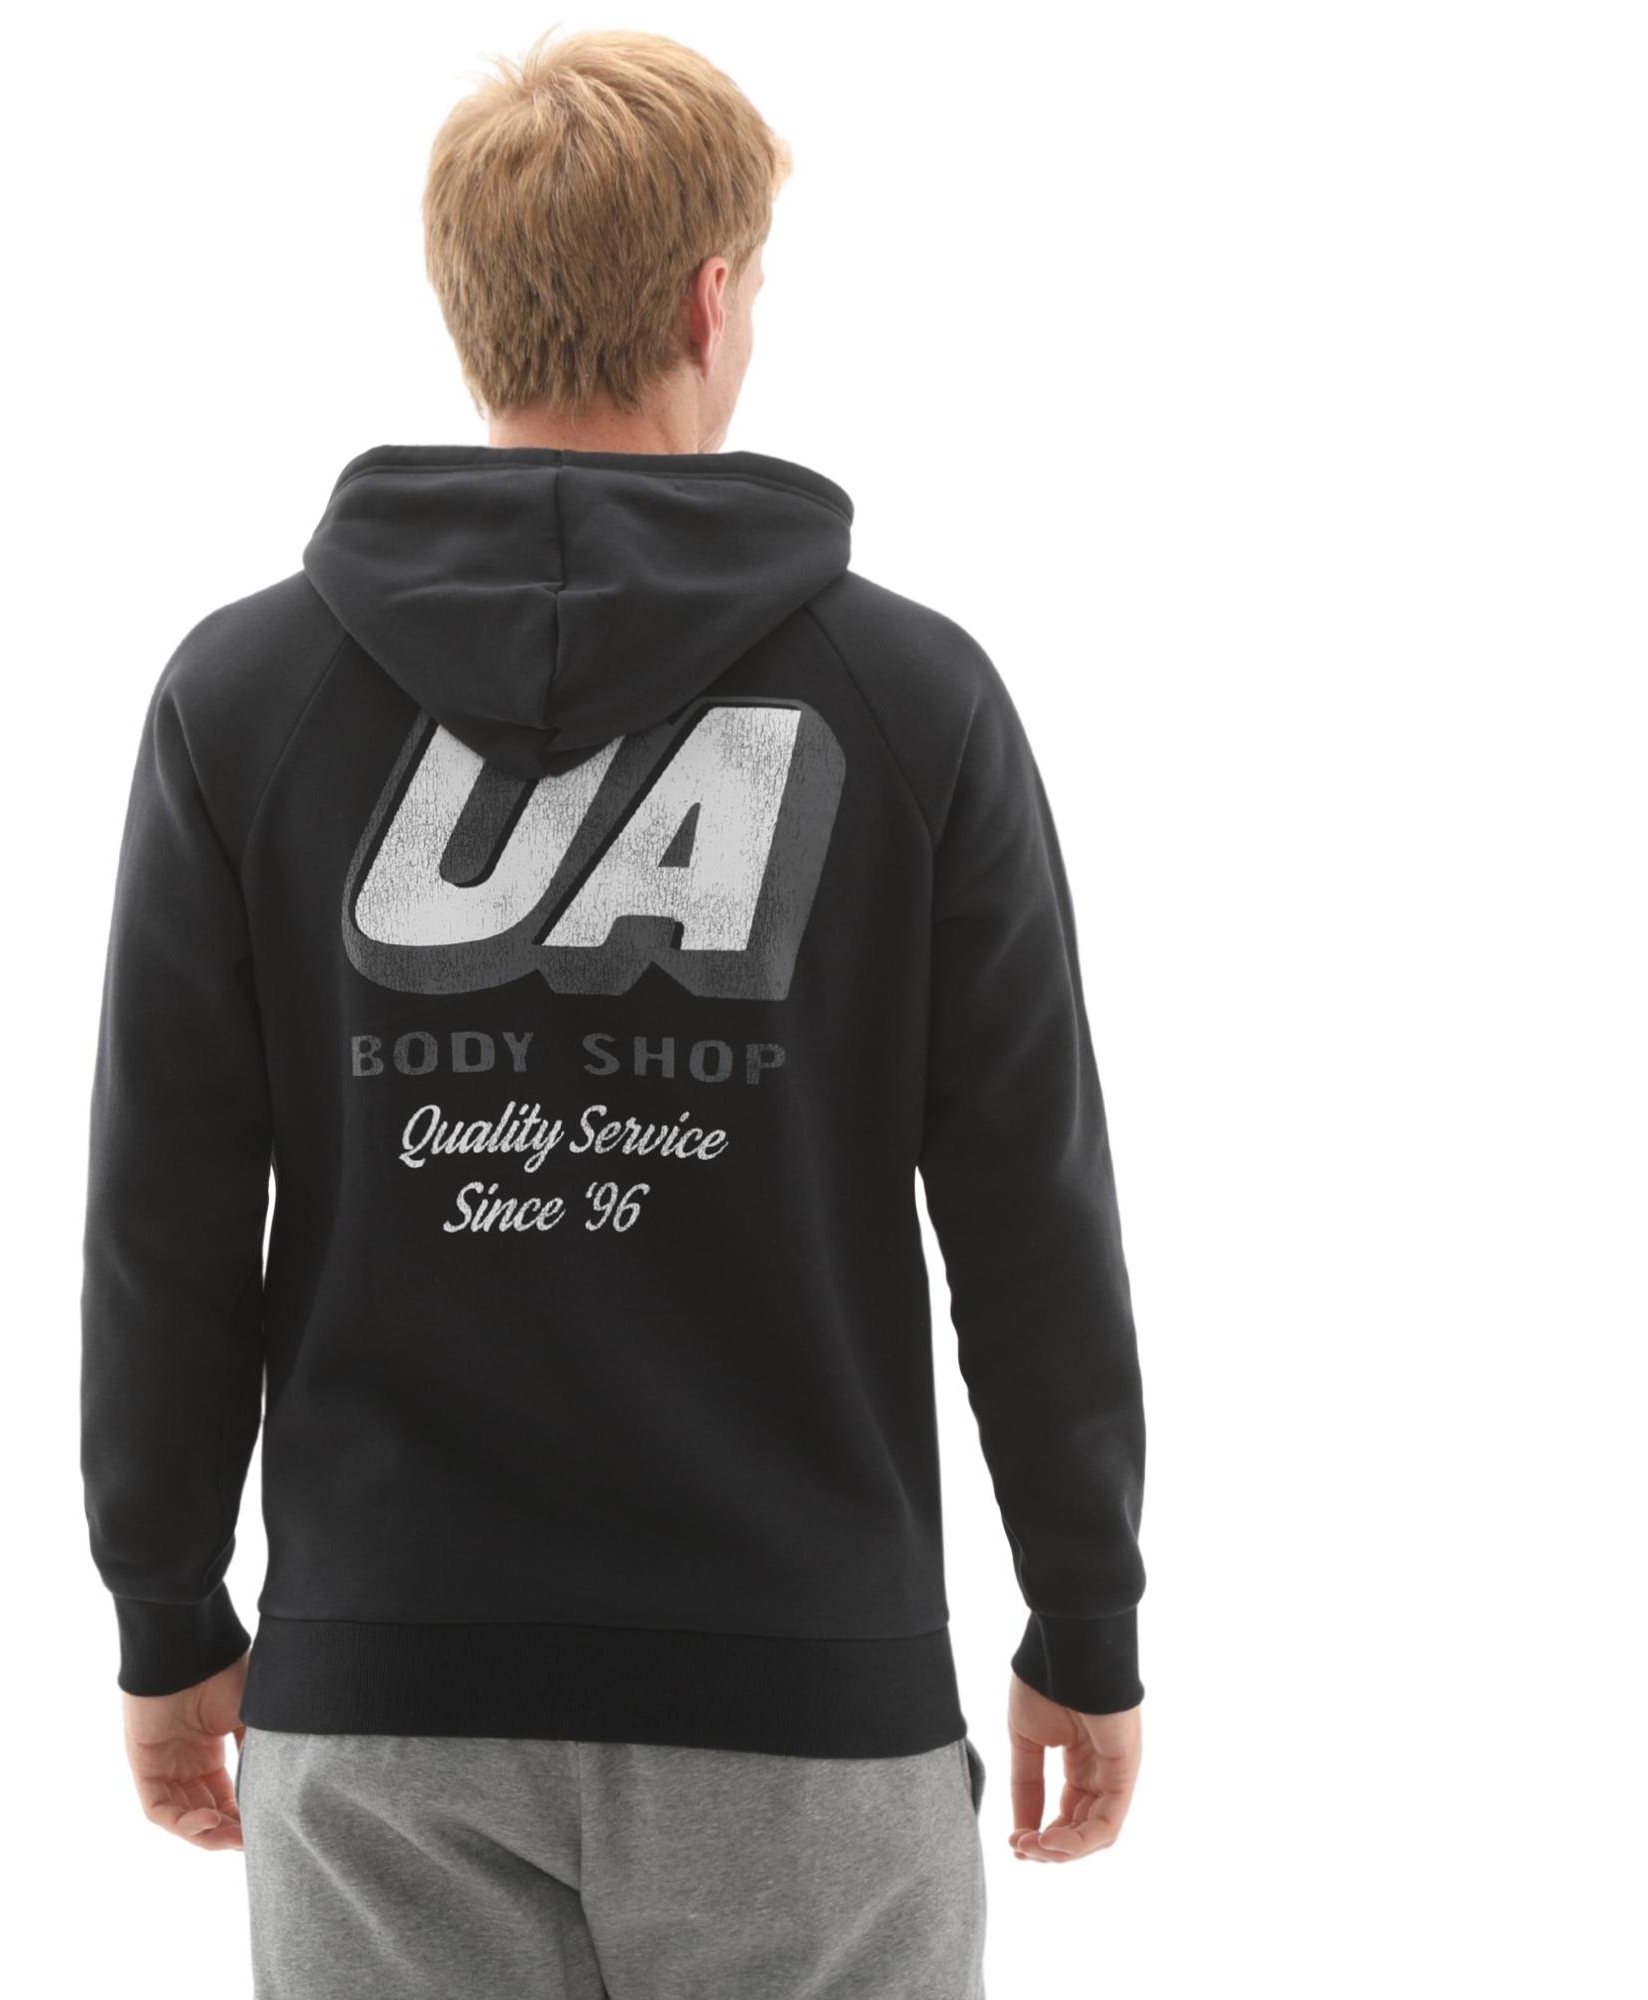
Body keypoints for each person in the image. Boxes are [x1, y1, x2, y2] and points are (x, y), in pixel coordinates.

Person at [80, 26, 1147, 1998]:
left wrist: (165, 1608)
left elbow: (165, 1204)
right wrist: (1084, 1615)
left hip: (386, 1701)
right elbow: (1027, 1205)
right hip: (806, 1710)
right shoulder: (911, 701)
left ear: (464, 301)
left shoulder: (245, 698)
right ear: (709, 298)